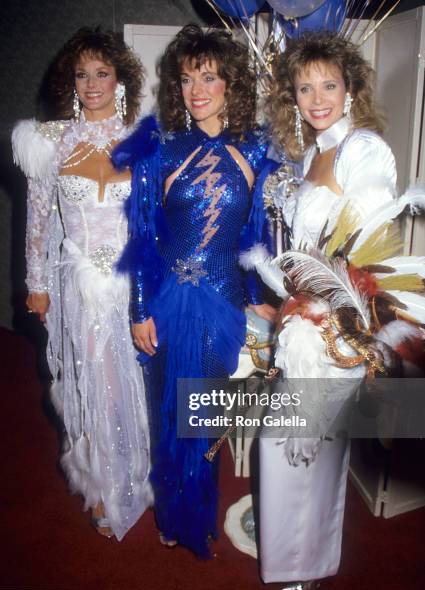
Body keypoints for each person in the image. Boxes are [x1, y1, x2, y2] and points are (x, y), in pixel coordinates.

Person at [242, 31, 425, 590]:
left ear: (350, 89)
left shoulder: (362, 149)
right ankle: (296, 556)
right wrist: (284, 305)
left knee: (302, 444)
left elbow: (369, 248)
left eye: (329, 84)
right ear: (291, 98)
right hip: (304, 320)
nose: (317, 98)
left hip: (340, 323)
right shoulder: (315, 153)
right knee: (295, 442)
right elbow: (306, 251)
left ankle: (305, 563)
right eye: (304, 88)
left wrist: (326, 310)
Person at [113, 24, 275, 557]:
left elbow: (254, 238)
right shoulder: (157, 148)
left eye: (208, 77)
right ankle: (170, 511)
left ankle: (199, 511)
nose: (196, 90)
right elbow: (141, 236)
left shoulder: (256, 150)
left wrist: (257, 295)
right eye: (186, 79)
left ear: (231, 83)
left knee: (204, 419)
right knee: (167, 415)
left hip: (223, 302)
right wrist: (139, 307)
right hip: (166, 301)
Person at [12, 27, 152, 540]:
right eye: (81, 74)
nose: (91, 84)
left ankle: (133, 473)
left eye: (102, 73)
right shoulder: (49, 140)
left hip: (129, 281)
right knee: (88, 378)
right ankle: (99, 486)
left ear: (120, 80)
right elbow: (38, 221)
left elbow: (151, 221)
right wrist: (36, 282)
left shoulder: (144, 138)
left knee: (128, 381)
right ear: (71, 82)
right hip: (74, 279)